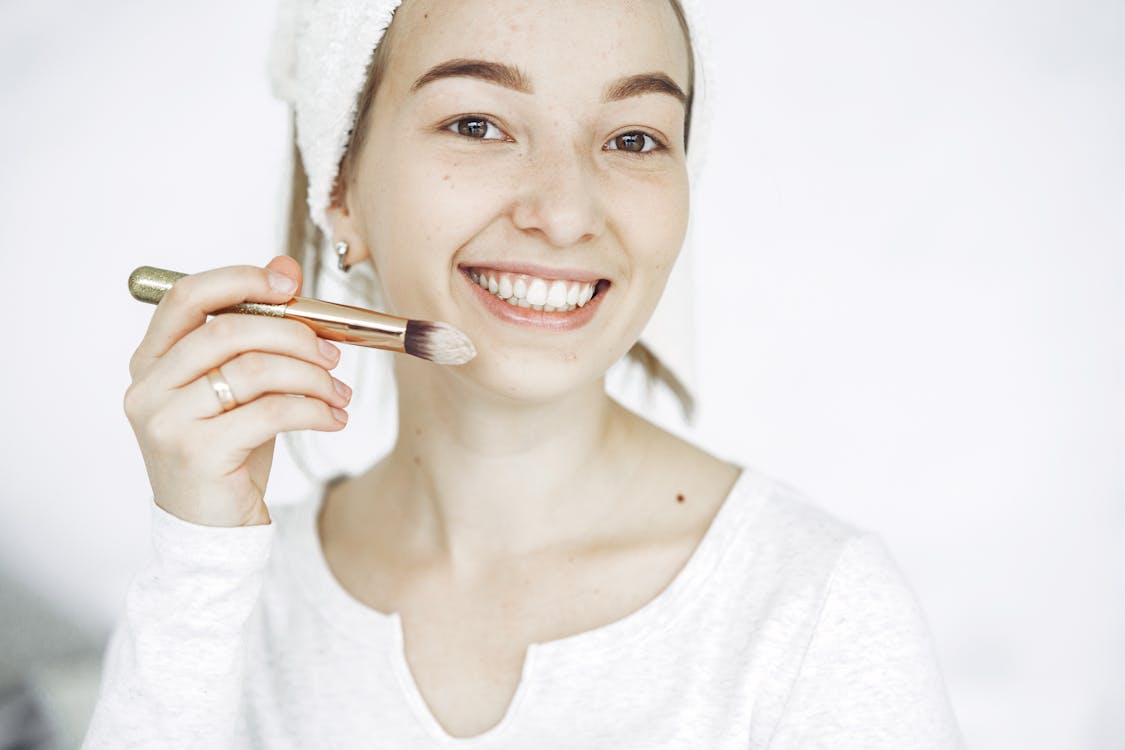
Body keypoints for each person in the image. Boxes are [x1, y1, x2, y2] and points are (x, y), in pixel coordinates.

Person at [84, 0, 965, 747]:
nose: (565, 210)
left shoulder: (814, 609)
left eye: (632, 136)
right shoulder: (230, 591)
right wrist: (200, 559)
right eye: (476, 124)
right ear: (340, 184)